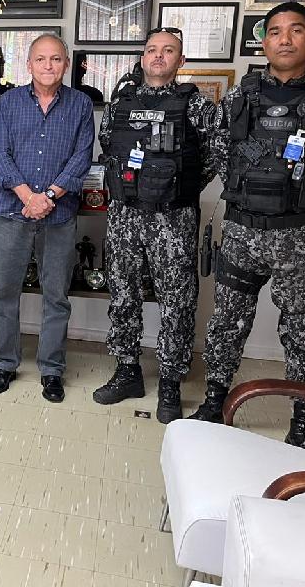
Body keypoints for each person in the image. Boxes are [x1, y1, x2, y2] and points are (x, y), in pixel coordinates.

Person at [189, 2, 305, 452]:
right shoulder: (240, 96)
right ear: (263, 41)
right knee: (226, 322)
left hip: (301, 236)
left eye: (296, 30)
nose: (285, 39)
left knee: (304, 331)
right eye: (275, 31)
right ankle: (214, 403)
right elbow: (218, 151)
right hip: (242, 232)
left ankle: (303, 423)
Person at [92, 27, 218, 423]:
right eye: (151, 50)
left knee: (176, 302)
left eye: (168, 50)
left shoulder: (196, 105)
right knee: (123, 294)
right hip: (125, 214)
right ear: (142, 57)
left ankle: (170, 383)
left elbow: (215, 156)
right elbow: (108, 145)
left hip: (173, 218)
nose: (158, 56)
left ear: (181, 61)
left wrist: (176, 188)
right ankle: (127, 370)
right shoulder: (121, 102)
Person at [0, 33, 95, 403]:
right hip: (12, 212)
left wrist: (47, 197)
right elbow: (0, 154)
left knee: (56, 297)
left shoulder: (80, 104)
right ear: (29, 64)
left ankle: (51, 369)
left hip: (58, 216)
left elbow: (81, 157)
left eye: (56, 59)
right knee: (4, 294)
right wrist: (27, 197)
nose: (48, 66)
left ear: (66, 64)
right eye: (41, 59)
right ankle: (5, 363)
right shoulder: (9, 102)